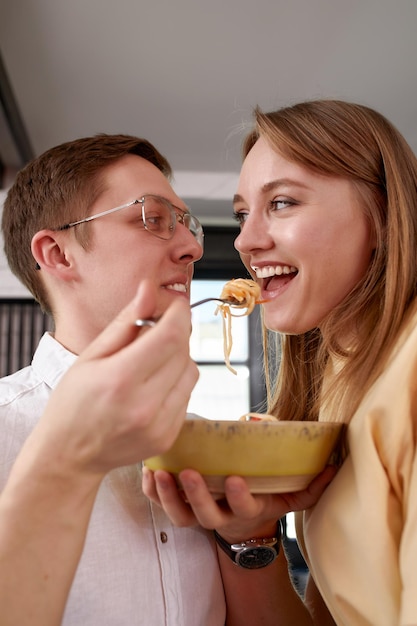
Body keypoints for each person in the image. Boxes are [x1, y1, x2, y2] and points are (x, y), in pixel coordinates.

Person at [0, 133, 333, 626]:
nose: (193, 247)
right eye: (152, 219)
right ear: (58, 254)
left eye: (186, 223)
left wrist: (250, 535)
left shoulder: (204, 443)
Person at [143, 99, 417, 625]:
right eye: (244, 213)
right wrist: (248, 537)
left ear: (382, 217)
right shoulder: (340, 374)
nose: (245, 240)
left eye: (284, 203)